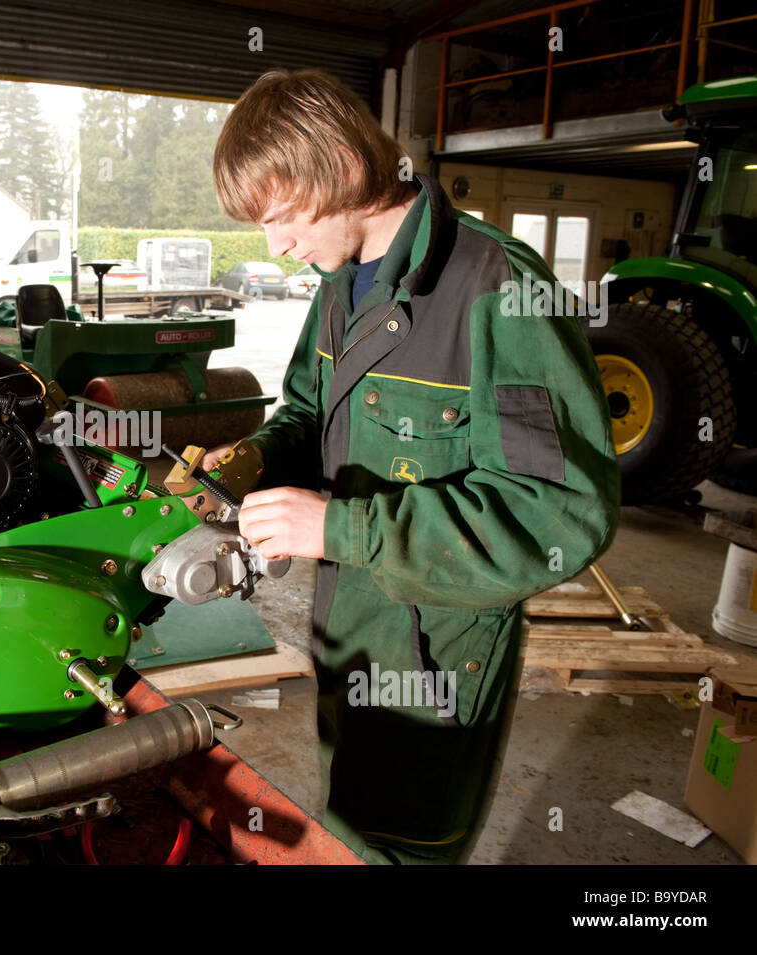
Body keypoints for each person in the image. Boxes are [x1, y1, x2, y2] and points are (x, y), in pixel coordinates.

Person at [205, 69, 620, 864]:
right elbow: (306, 411)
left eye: (284, 217)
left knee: (404, 846)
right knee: (350, 831)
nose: (277, 246)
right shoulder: (341, 283)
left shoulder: (499, 288)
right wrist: (254, 458)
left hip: (438, 650)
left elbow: (560, 510)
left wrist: (341, 526)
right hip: (351, 631)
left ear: (342, 167)